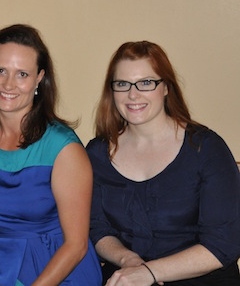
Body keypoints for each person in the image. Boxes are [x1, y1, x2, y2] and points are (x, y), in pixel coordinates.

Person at [87, 41, 240, 286]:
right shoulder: (97, 153)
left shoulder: (206, 149)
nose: (132, 94)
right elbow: (97, 227)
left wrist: (149, 272)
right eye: (122, 84)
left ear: (166, 87)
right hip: (126, 278)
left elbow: (224, 243)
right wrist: (128, 260)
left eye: (146, 83)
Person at [0, 24, 102, 286]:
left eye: (22, 74)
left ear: (39, 79)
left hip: (58, 273)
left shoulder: (63, 148)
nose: (8, 84)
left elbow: (77, 244)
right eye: (0, 70)